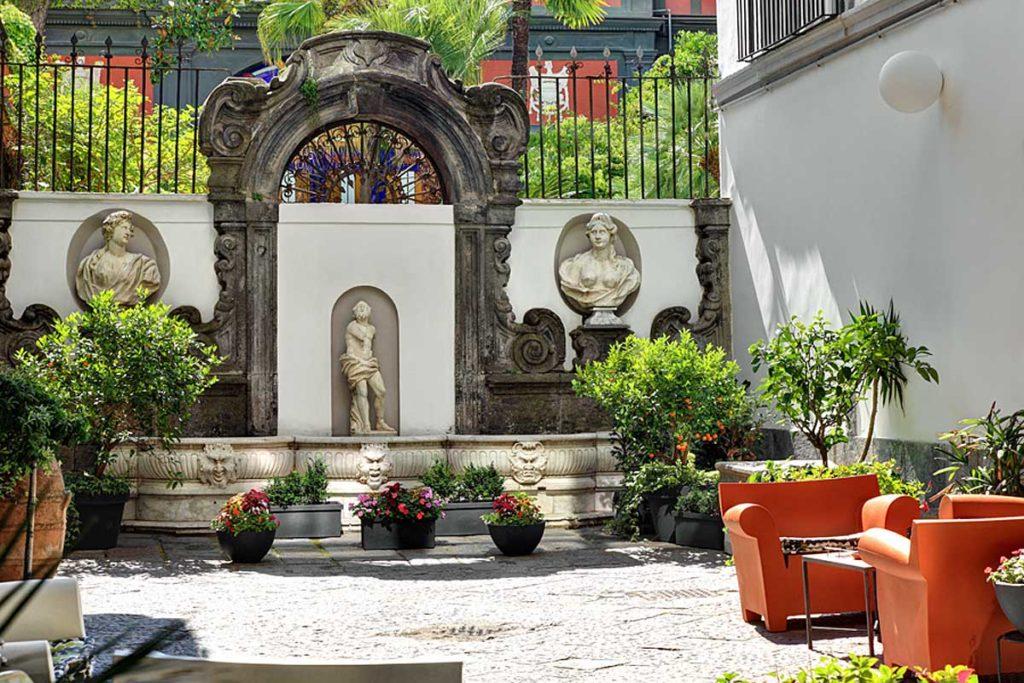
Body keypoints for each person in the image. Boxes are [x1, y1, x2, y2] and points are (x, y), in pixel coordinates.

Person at [75, 210, 161, 305]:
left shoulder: (144, 265)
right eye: (124, 228)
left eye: (129, 229)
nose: (128, 232)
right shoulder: (90, 265)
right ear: (111, 229)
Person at [339, 301, 395, 434]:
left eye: (364, 307)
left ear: (369, 310)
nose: (362, 308)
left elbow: (368, 338)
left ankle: (380, 422)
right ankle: (366, 425)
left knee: (381, 391)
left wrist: (366, 359)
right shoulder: (352, 326)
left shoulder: (372, 329)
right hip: (355, 363)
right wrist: (360, 359)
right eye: (359, 307)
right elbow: (362, 337)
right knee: (362, 392)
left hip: (369, 363)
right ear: (354, 312)